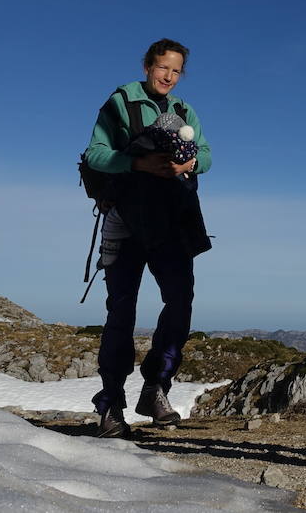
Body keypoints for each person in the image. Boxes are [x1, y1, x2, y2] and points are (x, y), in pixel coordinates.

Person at [82, 38, 213, 439]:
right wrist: (138, 163)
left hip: (171, 221)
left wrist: (190, 162)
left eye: (175, 70)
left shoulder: (182, 111)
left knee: (180, 302)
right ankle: (111, 405)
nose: (168, 76)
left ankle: (156, 388)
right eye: (162, 68)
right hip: (125, 220)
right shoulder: (121, 101)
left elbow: (207, 155)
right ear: (147, 66)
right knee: (121, 311)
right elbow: (94, 155)